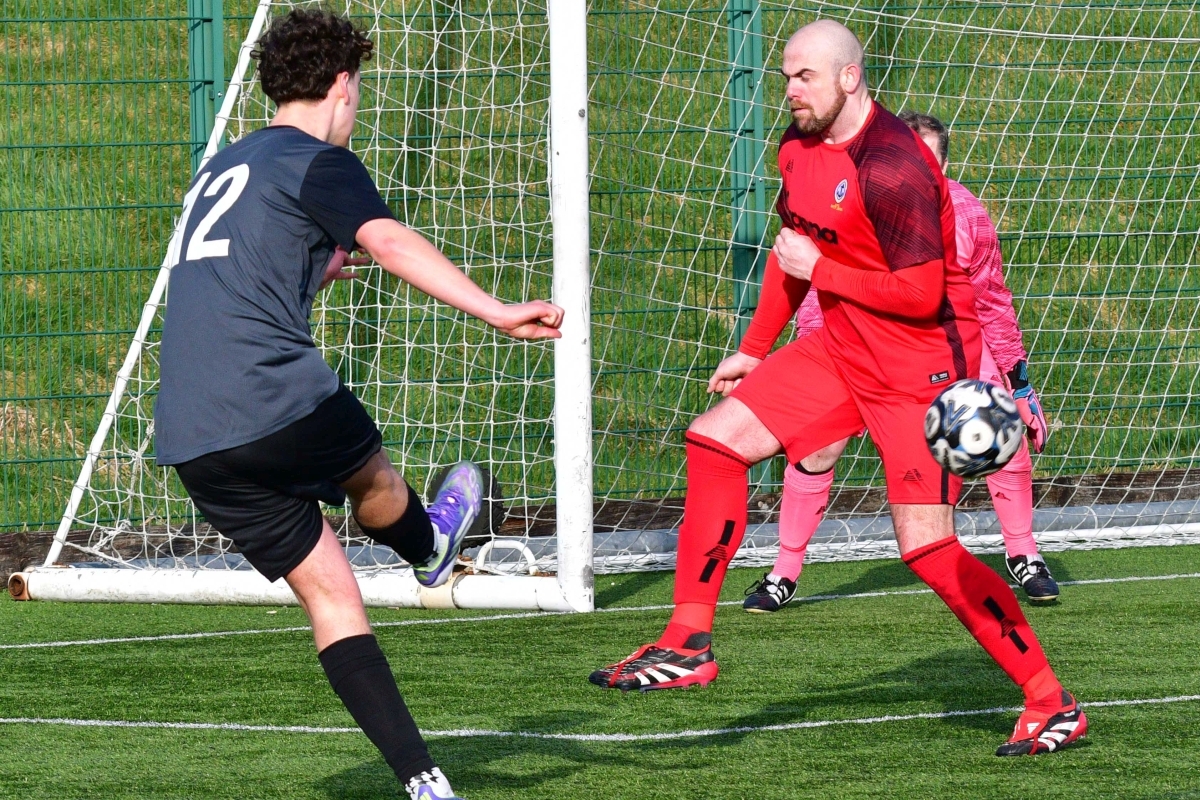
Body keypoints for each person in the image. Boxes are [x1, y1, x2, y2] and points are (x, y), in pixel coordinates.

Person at [589, 20, 1086, 757]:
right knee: (714, 442)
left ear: (849, 78)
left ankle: (1051, 701)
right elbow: (792, 254)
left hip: (921, 372)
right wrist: (754, 348)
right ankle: (687, 642)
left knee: (927, 548)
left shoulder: (894, 166)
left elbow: (919, 294)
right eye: (786, 77)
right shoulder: (798, 146)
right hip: (843, 349)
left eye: (804, 77)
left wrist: (819, 272)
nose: (790, 91)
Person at [153, 10, 563, 799]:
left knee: (333, 597)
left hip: (190, 435)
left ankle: (424, 781)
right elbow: (389, 241)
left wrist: (317, 266)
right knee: (370, 472)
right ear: (343, 85)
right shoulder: (320, 160)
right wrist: (496, 310)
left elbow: (238, 265)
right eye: (360, 90)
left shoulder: (223, 166)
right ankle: (429, 544)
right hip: (270, 395)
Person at [743, 111, 1058, 613]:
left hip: (944, 345)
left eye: (925, 161)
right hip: (858, 344)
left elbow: (991, 298)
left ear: (943, 167)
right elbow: (813, 285)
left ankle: (1024, 554)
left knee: (1001, 426)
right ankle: (784, 570)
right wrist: (817, 354)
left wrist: (1018, 382)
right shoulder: (851, 204)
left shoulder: (968, 215)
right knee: (817, 445)